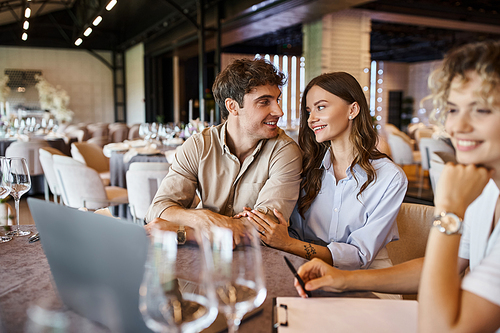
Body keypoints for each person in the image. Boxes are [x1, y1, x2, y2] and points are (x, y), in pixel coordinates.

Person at [293, 40, 500, 333]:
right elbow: (442, 267)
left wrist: (449, 213)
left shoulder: (451, 193)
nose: (458, 126)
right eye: (453, 109)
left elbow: (442, 328)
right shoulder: (484, 191)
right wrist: (342, 278)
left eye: (480, 110)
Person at [242, 72, 408, 270]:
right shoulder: (306, 168)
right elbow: (291, 230)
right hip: (307, 272)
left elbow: (360, 255)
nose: (311, 119)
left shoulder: (390, 178)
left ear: (353, 109)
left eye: (321, 107)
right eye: (309, 111)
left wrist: (287, 243)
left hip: (366, 281)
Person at [144, 58, 302, 238]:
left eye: (277, 100)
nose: (279, 111)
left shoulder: (285, 152)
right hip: (202, 258)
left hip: (259, 259)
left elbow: (266, 228)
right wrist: (202, 218)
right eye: (264, 102)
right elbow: (157, 210)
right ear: (232, 106)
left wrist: (188, 232)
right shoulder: (199, 145)